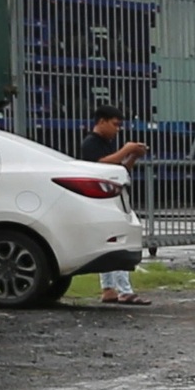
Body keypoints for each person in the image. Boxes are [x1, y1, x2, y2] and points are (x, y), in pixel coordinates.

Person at [74, 102, 152, 303]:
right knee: (117, 241)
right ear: (102, 121)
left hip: (109, 197)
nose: (117, 130)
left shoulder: (106, 144)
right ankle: (124, 289)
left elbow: (119, 169)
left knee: (108, 243)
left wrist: (133, 155)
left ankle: (109, 288)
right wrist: (126, 149)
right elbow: (99, 165)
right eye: (115, 125)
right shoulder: (91, 143)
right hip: (100, 199)